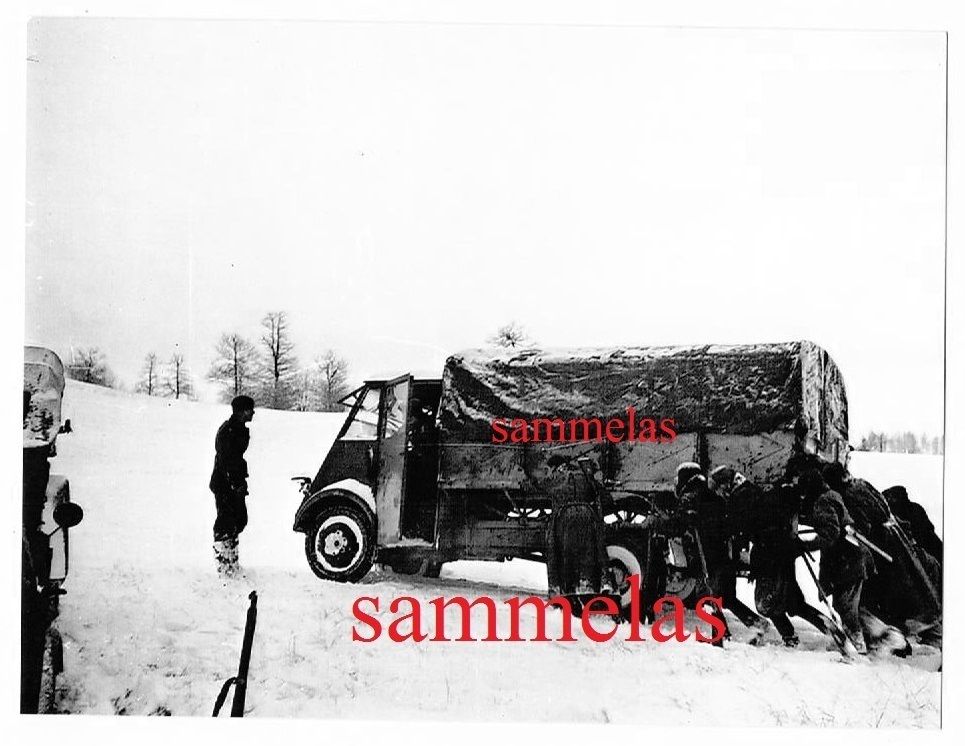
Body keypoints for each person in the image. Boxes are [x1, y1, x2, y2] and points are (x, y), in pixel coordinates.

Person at [796, 468, 876, 653]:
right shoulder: (832, 494)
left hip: (847, 560)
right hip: (852, 556)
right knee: (847, 605)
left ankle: (858, 645)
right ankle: (873, 636)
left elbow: (830, 534)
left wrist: (806, 545)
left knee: (845, 606)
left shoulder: (822, 502)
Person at [209, 395, 255, 578]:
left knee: (239, 520)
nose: (253, 412)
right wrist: (234, 483)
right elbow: (226, 461)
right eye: (250, 409)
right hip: (225, 484)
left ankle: (232, 560)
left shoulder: (240, 429)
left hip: (235, 483)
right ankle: (224, 564)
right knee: (225, 521)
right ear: (242, 411)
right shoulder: (228, 431)